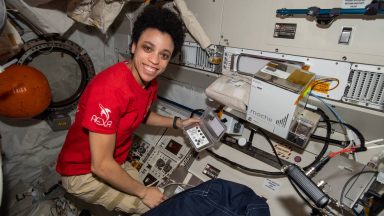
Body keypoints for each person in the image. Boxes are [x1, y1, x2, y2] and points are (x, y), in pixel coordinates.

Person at [56, 5, 199, 214]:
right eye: (147, 48)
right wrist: (142, 192)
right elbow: (101, 166)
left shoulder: (148, 81)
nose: (154, 61)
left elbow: (141, 114)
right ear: (133, 46)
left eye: (164, 55)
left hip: (115, 161)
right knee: (156, 209)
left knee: (155, 196)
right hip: (82, 173)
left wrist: (178, 123)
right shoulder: (109, 90)